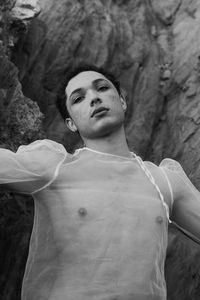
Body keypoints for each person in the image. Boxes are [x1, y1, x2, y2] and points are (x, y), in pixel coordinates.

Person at [0, 64, 200, 300]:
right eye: (78, 98)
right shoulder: (55, 167)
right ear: (71, 124)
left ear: (122, 101)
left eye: (102, 88)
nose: (94, 98)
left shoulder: (165, 181)